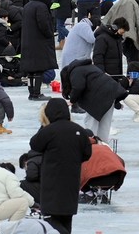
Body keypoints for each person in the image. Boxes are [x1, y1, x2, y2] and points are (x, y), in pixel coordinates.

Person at [29, 98, 93, 234]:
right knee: (66, 219)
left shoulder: (49, 131)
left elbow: (34, 144)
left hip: (52, 183)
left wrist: (44, 125)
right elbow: (87, 153)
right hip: (71, 182)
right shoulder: (79, 130)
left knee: (52, 222)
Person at [61, 59, 127, 143]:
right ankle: (103, 147)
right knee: (104, 125)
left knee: (91, 123)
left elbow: (78, 87)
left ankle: (91, 145)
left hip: (98, 98)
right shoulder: (89, 67)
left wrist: (72, 100)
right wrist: (117, 103)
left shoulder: (75, 71)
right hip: (111, 93)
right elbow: (103, 84)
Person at [20, 0, 57, 101]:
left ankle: (32, 93)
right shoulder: (41, 7)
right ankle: (37, 93)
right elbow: (44, 25)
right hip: (39, 42)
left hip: (27, 41)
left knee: (31, 71)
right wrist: (50, 34)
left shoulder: (28, 6)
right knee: (39, 69)